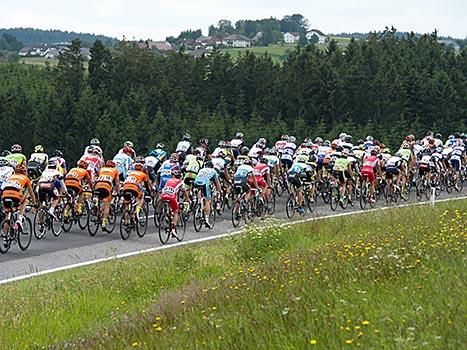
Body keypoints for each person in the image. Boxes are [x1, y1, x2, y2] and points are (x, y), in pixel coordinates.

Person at [1, 164, 36, 230]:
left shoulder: (10, 177)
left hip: (5, 194)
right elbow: (31, 193)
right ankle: (19, 219)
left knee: (8, 215)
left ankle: (5, 235)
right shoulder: (26, 178)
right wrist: (34, 203)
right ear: (24, 172)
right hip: (15, 195)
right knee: (25, 201)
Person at [194, 161, 222, 228]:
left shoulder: (201, 169)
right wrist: (219, 190)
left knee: (200, 191)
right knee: (208, 200)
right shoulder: (213, 171)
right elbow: (217, 183)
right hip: (205, 184)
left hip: (196, 182)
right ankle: (206, 219)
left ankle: (198, 201)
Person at [94, 160, 120, 231]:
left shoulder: (102, 169)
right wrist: (116, 191)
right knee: (106, 206)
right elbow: (117, 184)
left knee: (98, 195)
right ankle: (104, 223)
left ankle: (96, 206)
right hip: (106, 186)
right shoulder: (115, 170)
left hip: (98, 185)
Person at [161, 168, 186, 238]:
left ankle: (166, 215)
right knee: (176, 211)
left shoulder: (169, 180)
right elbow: (183, 191)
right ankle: (173, 229)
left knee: (169, 205)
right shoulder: (180, 181)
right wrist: (187, 199)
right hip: (171, 197)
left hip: (163, 195)